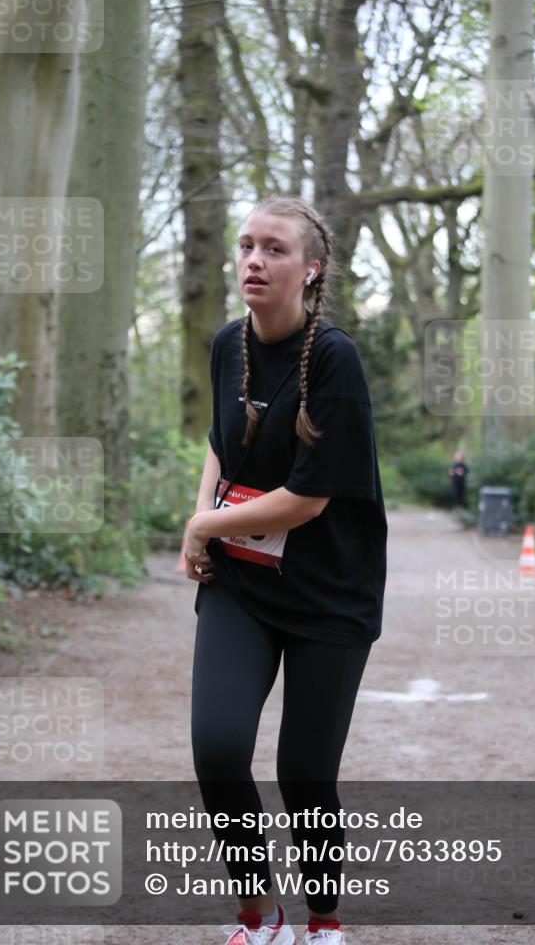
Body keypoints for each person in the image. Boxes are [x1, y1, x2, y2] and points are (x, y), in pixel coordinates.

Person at [184, 196, 387, 945]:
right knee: (217, 747)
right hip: (242, 582)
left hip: (331, 594)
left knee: (304, 773)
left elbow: (305, 501)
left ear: (310, 269)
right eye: (245, 246)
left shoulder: (333, 357)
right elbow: (217, 440)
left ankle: (324, 922)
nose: (253, 261)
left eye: (273, 248)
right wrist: (199, 513)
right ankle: (257, 913)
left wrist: (205, 522)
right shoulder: (226, 344)